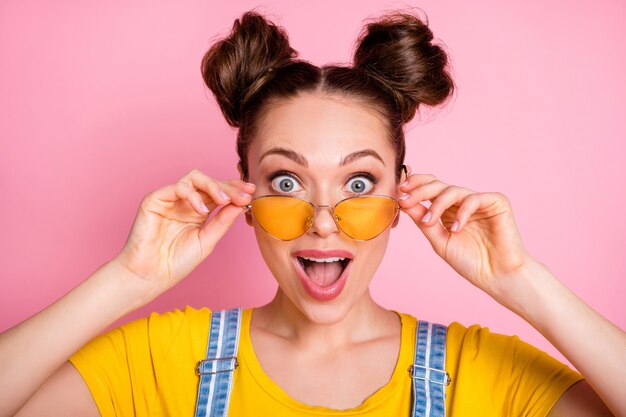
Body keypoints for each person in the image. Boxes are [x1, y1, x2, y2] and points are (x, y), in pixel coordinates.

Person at [1, 9, 624, 417]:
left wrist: (523, 284)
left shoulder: (478, 374)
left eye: (358, 181)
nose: (322, 222)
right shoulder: (163, 359)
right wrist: (127, 279)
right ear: (245, 198)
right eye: (286, 180)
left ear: (401, 197)